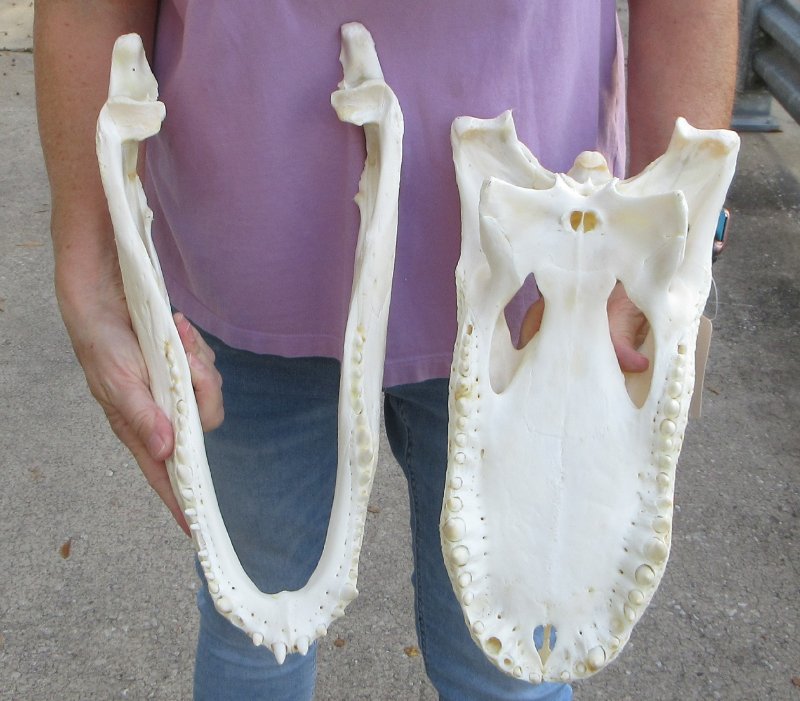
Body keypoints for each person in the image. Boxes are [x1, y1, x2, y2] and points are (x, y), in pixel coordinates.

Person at [34, 2, 738, 699]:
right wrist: (89, 266)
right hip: (246, 269)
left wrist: (669, 247)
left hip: (542, 287)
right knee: (253, 630)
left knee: (521, 647)